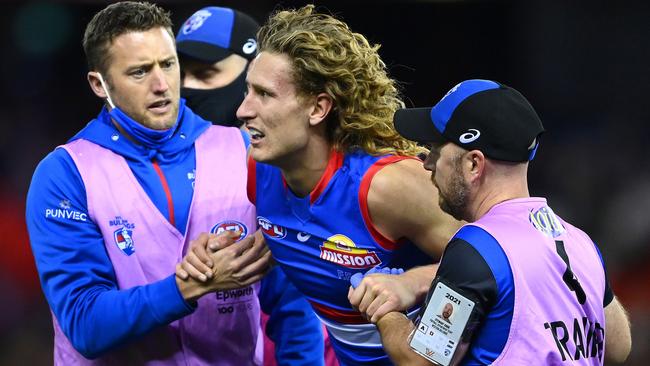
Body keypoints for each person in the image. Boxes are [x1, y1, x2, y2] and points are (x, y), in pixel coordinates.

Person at [186, 5, 461, 365]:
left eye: (265, 94)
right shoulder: (258, 165)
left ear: (318, 108)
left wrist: (415, 281)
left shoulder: (387, 186)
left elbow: (497, 259)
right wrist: (216, 253)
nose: (243, 110)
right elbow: (301, 238)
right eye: (247, 91)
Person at [25, 2, 271, 364]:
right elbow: (85, 323)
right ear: (99, 84)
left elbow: (288, 302)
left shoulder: (243, 149)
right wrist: (192, 284)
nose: (161, 85)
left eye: (168, 65)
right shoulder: (65, 174)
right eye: (139, 72)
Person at [373, 79, 632, 365]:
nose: (427, 163)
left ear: (473, 164)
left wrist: (387, 313)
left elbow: (420, 360)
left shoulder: (477, 247)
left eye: (436, 148)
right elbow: (619, 347)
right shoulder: (579, 242)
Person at [175, 6, 335, 365]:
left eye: (206, 73)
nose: (186, 89)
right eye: (180, 74)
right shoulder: (172, 165)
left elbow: (296, 306)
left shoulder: (284, 162)